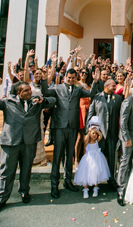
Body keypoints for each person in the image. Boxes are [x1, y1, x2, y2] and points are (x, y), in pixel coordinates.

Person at [0, 78, 55, 216]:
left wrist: (44, 101)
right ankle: (1, 199)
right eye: (26, 90)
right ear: (19, 93)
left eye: (30, 89)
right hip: (11, 141)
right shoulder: (8, 102)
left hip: (29, 142)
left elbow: (53, 101)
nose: (30, 92)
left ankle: (24, 192)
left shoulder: (36, 102)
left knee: (26, 169)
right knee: (7, 171)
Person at [40, 69, 95, 199]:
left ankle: (67, 181)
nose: (70, 80)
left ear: (75, 78)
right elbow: (45, 92)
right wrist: (44, 79)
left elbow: (91, 93)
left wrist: (96, 81)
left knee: (69, 154)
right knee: (58, 155)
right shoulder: (57, 88)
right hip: (59, 126)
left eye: (72, 78)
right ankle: (54, 185)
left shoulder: (78, 89)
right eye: (68, 78)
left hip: (73, 126)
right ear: (65, 77)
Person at [86, 78, 123, 186]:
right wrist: (88, 130)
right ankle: (95, 180)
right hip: (98, 134)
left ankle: (111, 180)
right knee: (96, 158)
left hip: (112, 133)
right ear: (106, 86)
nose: (115, 87)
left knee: (112, 158)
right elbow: (90, 113)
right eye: (113, 86)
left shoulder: (117, 98)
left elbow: (120, 115)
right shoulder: (97, 98)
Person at [74, 116, 111, 199]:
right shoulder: (87, 140)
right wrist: (90, 130)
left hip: (97, 159)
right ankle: (85, 189)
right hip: (89, 159)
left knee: (96, 173)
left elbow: (101, 136)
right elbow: (85, 139)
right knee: (86, 173)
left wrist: (97, 130)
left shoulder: (96, 141)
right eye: (93, 133)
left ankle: (95, 187)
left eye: (96, 134)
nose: (94, 135)